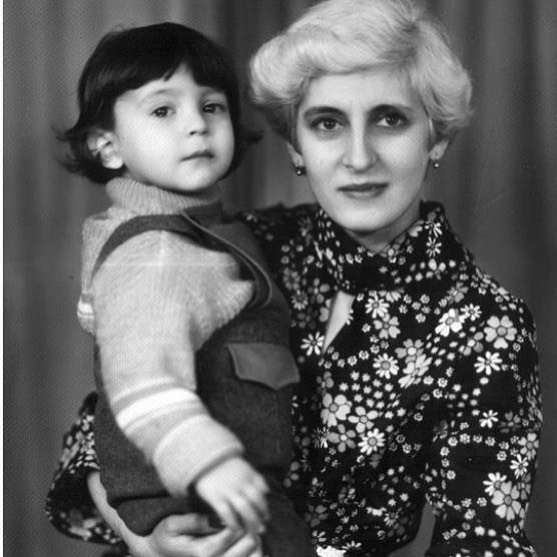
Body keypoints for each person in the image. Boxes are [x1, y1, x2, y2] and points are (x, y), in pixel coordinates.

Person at [46, 1, 542, 556]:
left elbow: (480, 540)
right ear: (295, 146)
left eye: (390, 119)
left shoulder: (486, 327)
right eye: (327, 123)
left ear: (437, 138)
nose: (359, 157)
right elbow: (109, 416)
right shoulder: (238, 248)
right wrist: (147, 539)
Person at [50, 21, 315, 557]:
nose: (196, 124)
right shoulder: (156, 252)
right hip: (202, 493)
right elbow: (142, 382)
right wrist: (208, 463)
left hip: (221, 489)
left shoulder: (200, 233)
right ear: (107, 146)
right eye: (163, 110)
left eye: (212, 106)